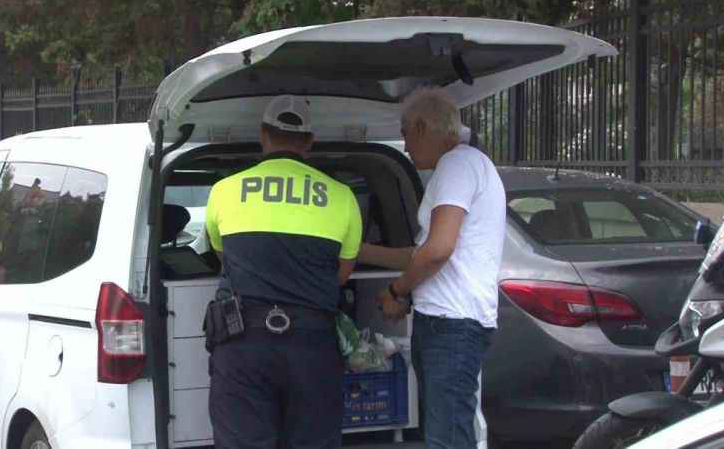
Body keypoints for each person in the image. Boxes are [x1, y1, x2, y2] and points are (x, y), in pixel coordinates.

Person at [204, 95, 362, 449]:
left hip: (242, 343)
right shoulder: (343, 197)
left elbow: (223, 257)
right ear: (309, 143)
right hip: (313, 348)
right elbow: (341, 274)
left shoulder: (224, 191)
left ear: (263, 135)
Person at [359, 87, 506, 449]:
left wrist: (398, 290)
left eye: (406, 134)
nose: (406, 147)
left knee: (447, 437)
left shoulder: (458, 164)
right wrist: (357, 250)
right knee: (445, 430)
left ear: (423, 127)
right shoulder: (465, 165)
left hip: (451, 326)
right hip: (447, 324)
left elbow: (438, 250)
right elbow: (421, 253)